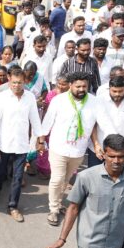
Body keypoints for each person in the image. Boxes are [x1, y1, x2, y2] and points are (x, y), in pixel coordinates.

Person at [0, 67, 45, 222]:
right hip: (4, 143)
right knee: (0, 173)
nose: (16, 85)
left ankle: (13, 206)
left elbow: (35, 120)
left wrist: (40, 140)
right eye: (13, 82)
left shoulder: (30, 98)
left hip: (21, 144)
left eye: (19, 83)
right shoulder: (1, 97)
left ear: (24, 81)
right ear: (9, 80)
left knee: (18, 177)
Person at [42, 72, 99, 226]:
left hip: (78, 150)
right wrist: (41, 140)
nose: (81, 89)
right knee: (57, 179)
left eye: (84, 86)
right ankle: (53, 209)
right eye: (78, 86)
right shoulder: (59, 101)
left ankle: (59, 202)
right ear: (70, 85)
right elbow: (48, 121)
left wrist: (97, 144)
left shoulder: (94, 102)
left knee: (66, 180)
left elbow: (96, 125)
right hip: (58, 147)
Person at [89, 75, 124, 168]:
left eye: (120, 91)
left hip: (119, 150)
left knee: (117, 178)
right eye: (114, 91)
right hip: (99, 149)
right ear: (109, 88)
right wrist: (96, 145)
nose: (117, 94)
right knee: (94, 178)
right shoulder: (98, 101)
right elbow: (92, 125)